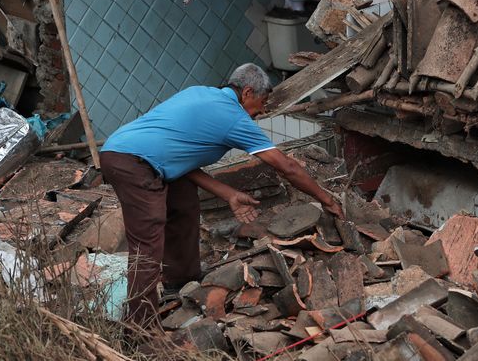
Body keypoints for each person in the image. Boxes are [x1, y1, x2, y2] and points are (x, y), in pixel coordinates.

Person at [99, 63, 342, 329]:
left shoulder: (200, 93)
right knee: (147, 243)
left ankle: (181, 282)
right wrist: (327, 199)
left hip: (125, 151)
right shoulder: (233, 117)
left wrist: (229, 194)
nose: (263, 110)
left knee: (183, 203)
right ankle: (139, 328)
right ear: (247, 92)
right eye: (262, 101)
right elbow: (287, 167)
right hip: (132, 162)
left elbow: (180, 157)